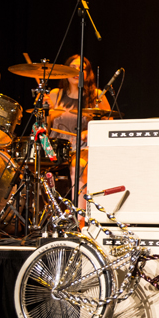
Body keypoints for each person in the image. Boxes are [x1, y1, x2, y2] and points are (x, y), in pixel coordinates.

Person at [46, 55, 111, 209]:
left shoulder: (97, 95)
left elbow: (109, 124)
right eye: (72, 68)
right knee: (30, 165)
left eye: (81, 69)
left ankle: (79, 219)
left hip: (82, 148)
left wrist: (90, 131)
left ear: (87, 73)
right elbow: (45, 128)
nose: (76, 72)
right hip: (56, 148)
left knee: (78, 167)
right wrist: (48, 113)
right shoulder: (56, 94)